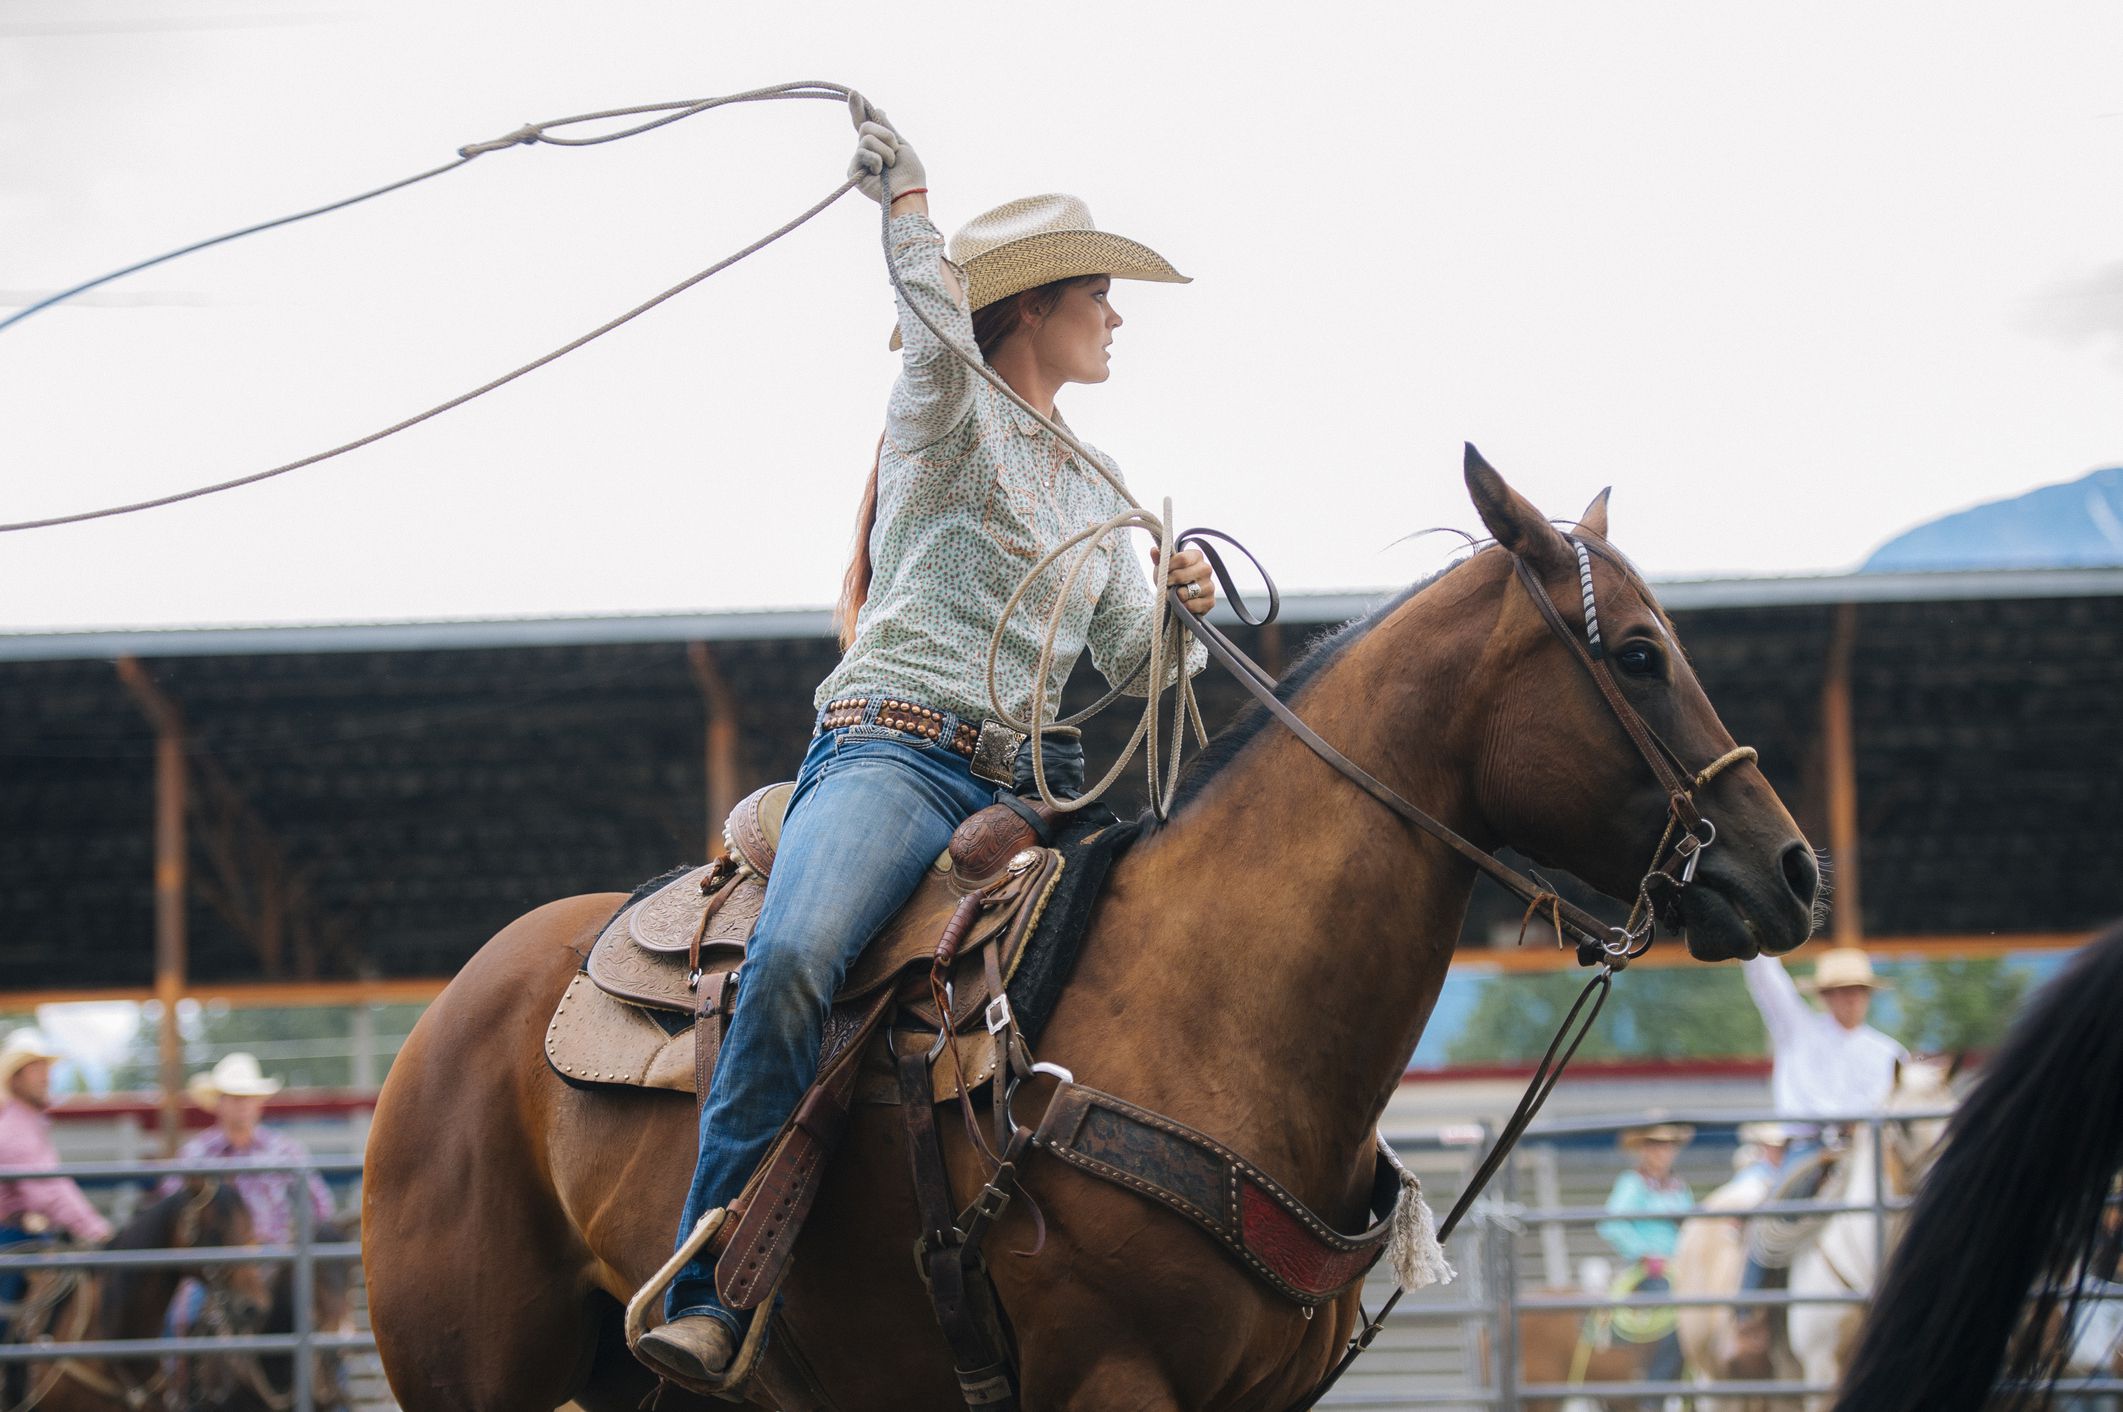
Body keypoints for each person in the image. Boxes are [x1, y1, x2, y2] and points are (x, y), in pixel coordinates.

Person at [636, 99, 1215, 1385]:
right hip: (893, 754)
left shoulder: (1097, 475)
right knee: (792, 957)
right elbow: (935, 318)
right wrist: (909, 204)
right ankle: (714, 1279)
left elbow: (1128, 661)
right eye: (1098, 296)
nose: (1115, 318)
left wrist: (1176, 612)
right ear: (1032, 309)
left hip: (1025, 790)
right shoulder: (945, 405)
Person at [1733, 947, 1907, 1339]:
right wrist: (1751, 939)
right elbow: (1766, 981)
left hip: (1869, 1151)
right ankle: (1747, 1315)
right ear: (1824, 997)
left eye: (1857, 991)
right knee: (1781, 1205)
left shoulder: (1889, 1052)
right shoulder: (1798, 1030)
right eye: (1841, 991)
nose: (1850, 999)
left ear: (1867, 996)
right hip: (1811, 1148)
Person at [155, 1053, 334, 1335]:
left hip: (276, 1260)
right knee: (179, 1319)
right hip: (216, 1268)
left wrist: (294, 1245)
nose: (242, 1105)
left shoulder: (285, 1152)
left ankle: (334, 1378)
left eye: (248, 1097)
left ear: (259, 1103)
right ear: (219, 1103)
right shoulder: (196, 1154)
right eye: (234, 1097)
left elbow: (320, 1206)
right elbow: (170, 1208)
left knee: (322, 1319)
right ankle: (174, 1376)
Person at [0, 1029, 112, 1342]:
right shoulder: (16, 1132)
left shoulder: (26, 1125)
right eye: (36, 1069)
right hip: (12, 1238)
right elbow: (48, 1193)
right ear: (16, 1079)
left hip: (28, 1235)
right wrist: (96, 1230)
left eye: (46, 1068)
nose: (46, 1076)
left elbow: (54, 1188)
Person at [1597, 1121, 1695, 1405]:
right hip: (1648, 1272)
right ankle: (1654, 1393)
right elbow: (1612, 1224)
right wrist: (1644, 1253)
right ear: (1644, 1149)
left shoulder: (1679, 1187)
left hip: (1680, 1270)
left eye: (1668, 1145)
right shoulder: (1633, 1183)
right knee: (1676, 1317)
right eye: (1655, 1144)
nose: (1663, 1151)